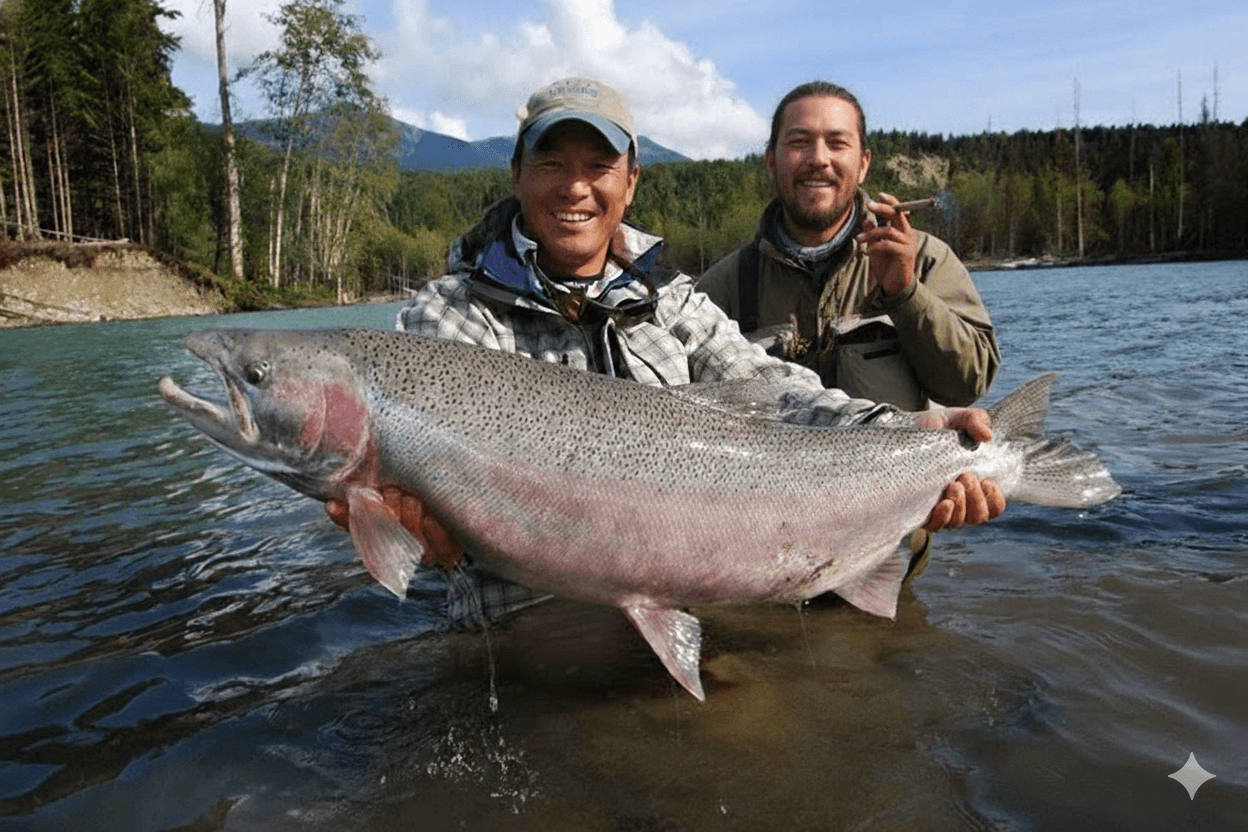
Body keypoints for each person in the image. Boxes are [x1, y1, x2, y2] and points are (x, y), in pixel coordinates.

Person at [325, 77, 1004, 621]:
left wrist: (905, 430)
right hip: (530, 636)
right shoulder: (450, 316)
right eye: (552, 163)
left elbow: (775, 386)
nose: (575, 186)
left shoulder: (674, 303)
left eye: (599, 165)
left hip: (682, 619)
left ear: (631, 182)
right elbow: (411, 479)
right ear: (517, 173)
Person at [698, 80, 1002, 579]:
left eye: (837, 143)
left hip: (886, 556)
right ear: (771, 161)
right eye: (799, 142)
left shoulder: (924, 258)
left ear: (862, 163)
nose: (818, 158)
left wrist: (907, 294)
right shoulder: (722, 287)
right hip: (756, 563)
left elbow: (967, 386)